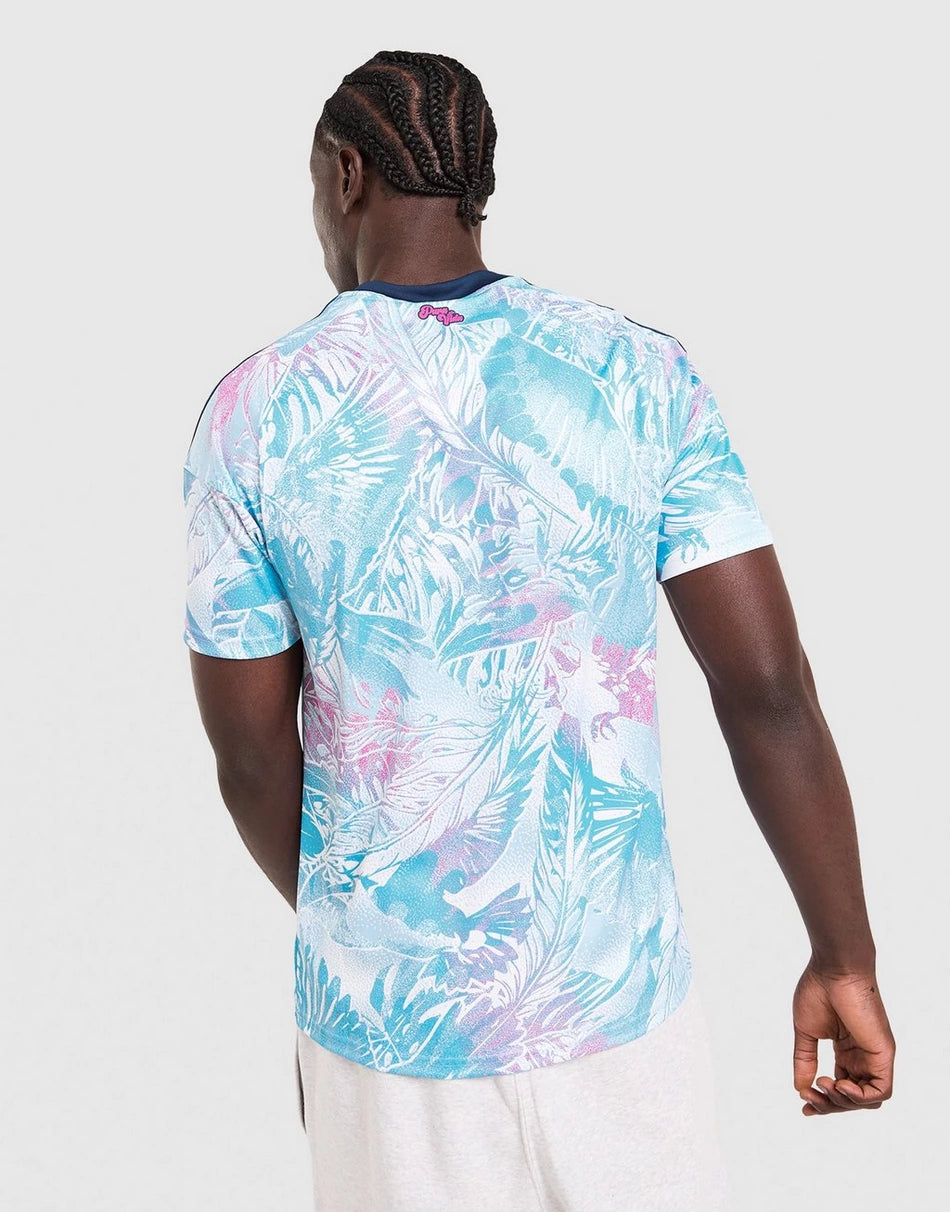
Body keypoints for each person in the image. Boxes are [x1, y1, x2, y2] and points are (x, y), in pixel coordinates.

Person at [182, 49, 895, 1212]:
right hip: (620, 1018)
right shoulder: (639, 371)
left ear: (345, 174)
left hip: (388, 1041)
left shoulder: (254, 412)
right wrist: (842, 954)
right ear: (476, 184)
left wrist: (356, 952)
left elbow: (252, 757)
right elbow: (768, 690)